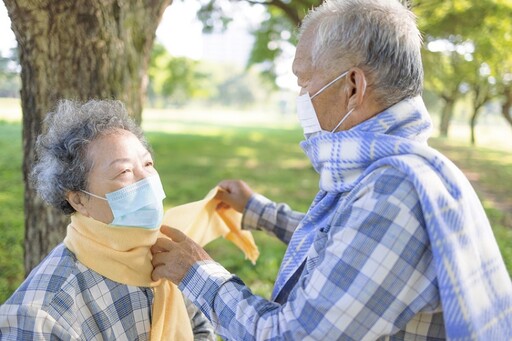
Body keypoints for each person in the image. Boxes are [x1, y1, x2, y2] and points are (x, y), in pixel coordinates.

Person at [150, 0, 512, 340]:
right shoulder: (392, 167)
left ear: (353, 87)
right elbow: (343, 243)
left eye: (304, 81)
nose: (300, 96)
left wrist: (197, 273)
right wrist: (257, 211)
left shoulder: (395, 192)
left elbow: (293, 335)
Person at [0, 100, 214, 340]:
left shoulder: (168, 256)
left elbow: (199, 328)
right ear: (80, 200)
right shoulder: (42, 316)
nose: (147, 180)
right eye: (124, 171)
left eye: (147, 163)